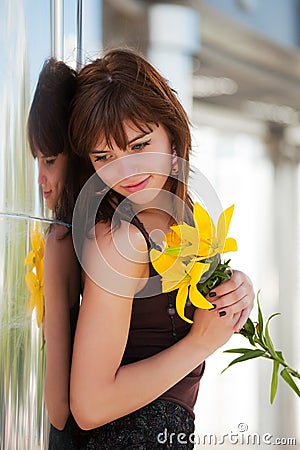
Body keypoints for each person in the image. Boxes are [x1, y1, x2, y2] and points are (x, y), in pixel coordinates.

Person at [68, 48, 255, 449]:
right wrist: (200, 344)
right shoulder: (121, 242)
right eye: (104, 156)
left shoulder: (185, 215)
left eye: (138, 146)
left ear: (173, 137)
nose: (124, 170)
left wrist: (236, 289)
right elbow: (89, 405)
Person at [27, 58, 92, 449]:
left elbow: (57, 407)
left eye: (50, 160)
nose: (41, 179)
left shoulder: (60, 241)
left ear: (79, 155)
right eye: (37, 160)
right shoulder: (111, 231)